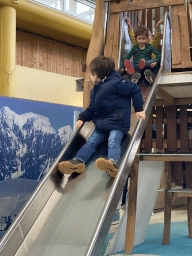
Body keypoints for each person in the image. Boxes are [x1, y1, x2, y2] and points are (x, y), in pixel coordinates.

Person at [58, 56, 146, 177]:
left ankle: (113, 163)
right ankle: (78, 161)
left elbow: (134, 88)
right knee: (90, 142)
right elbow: (92, 108)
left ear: (95, 74)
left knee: (113, 140)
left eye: (90, 73)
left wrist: (139, 108)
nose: (90, 76)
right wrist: (82, 118)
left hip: (117, 122)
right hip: (101, 125)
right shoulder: (95, 91)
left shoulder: (117, 83)